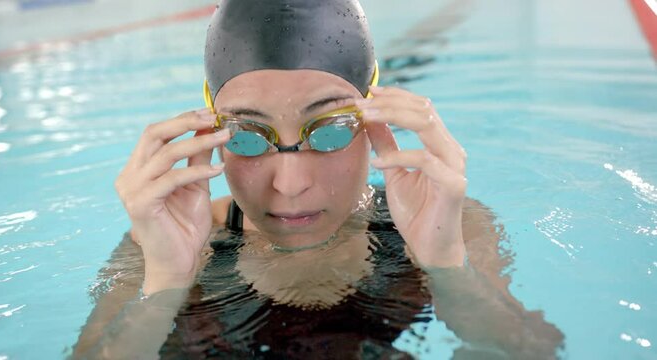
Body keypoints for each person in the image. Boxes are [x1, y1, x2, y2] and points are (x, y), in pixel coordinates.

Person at [72, 0, 564, 358]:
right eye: (247, 135)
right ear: (211, 129)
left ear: (373, 119)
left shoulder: (446, 221)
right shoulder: (164, 236)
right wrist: (164, 285)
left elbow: (531, 350)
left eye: (330, 131)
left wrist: (446, 266)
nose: (289, 185)